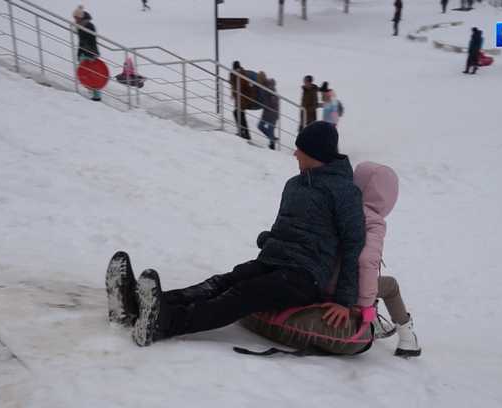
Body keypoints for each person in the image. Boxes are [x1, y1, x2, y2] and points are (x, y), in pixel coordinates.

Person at [119, 122, 366, 346]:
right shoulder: (295, 185)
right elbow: (288, 228)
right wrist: (269, 241)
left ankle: (165, 323)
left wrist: (344, 301)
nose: (294, 153)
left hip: (305, 277)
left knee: (242, 294)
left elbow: (353, 244)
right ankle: (140, 303)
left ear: (316, 153)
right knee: (222, 282)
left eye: (299, 149)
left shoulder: (345, 192)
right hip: (273, 260)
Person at [352, 162, 421, 357]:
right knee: (389, 285)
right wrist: (364, 307)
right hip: (346, 286)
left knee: (368, 278)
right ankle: (408, 338)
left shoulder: (342, 207)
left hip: (322, 277)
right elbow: (367, 261)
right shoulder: (372, 220)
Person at [73, 6, 102, 101]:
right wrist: (79, 53)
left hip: (90, 52)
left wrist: (92, 54)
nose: (75, 19)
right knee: (84, 72)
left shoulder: (89, 25)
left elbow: (92, 40)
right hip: (83, 52)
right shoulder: (80, 25)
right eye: (74, 17)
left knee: (92, 74)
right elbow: (81, 40)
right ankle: (91, 88)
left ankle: (97, 96)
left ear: (80, 17)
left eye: (76, 17)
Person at [229, 61, 253, 140]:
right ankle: (245, 133)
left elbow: (240, 86)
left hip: (243, 98)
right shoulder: (237, 74)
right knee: (240, 115)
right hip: (240, 98)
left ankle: (244, 133)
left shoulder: (241, 75)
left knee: (238, 114)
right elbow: (233, 83)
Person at [258, 78, 280, 150]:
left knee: (270, 129)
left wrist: (269, 101)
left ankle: (272, 145)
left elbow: (273, 103)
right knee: (261, 126)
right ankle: (272, 139)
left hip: (272, 114)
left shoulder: (272, 91)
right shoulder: (266, 90)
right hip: (267, 113)